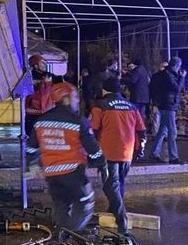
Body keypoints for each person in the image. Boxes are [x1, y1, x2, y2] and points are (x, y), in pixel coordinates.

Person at [32, 82, 106, 233]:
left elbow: (30, 148)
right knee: (85, 203)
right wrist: (101, 162)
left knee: (61, 206)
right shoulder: (78, 121)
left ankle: (60, 238)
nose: (77, 101)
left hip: (51, 175)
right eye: (75, 97)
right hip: (73, 172)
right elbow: (92, 148)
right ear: (65, 99)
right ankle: (72, 235)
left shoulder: (40, 121)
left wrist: (34, 165)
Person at [90, 77, 147, 234]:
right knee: (119, 182)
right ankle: (113, 209)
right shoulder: (132, 106)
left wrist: (92, 153)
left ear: (104, 89)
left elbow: (93, 130)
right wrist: (139, 149)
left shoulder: (100, 106)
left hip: (108, 152)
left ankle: (121, 219)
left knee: (110, 185)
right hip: (127, 152)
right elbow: (141, 130)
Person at [148, 56, 186, 164]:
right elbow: (177, 89)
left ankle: (154, 153)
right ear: (177, 65)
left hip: (164, 104)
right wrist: (182, 77)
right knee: (172, 132)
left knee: (163, 131)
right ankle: (173, 157)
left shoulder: (162, 75)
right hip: (168, 105)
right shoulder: (169, 76)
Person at [125, 60, 151, 131]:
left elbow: (133, 81)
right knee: (142, 113)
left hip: (137, 96)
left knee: (135, 112)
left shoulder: (136, 71)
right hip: (144, 96)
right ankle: (142, 128)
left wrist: (124, 79)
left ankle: (136, 128)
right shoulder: (144, 70)